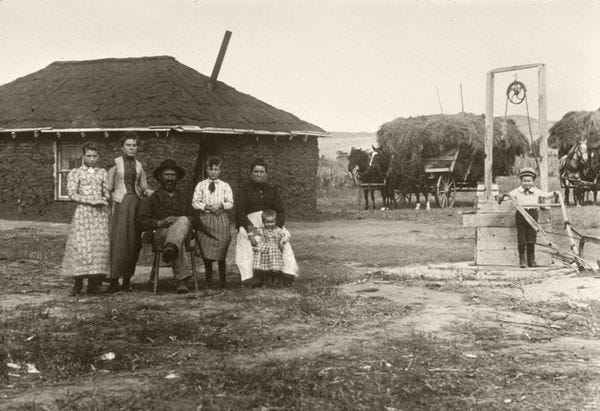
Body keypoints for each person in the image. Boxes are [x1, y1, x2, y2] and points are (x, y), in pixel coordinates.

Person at [137, 159, 198, 294]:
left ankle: (171, 247)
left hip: (184, 234)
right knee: (176, 240)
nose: (169, 178)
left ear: (177, 177)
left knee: (183, 220)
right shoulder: (153, 198)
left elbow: (196, 218)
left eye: (172, 175)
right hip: (161, 234)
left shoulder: (184, 197)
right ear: (160, 177)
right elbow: (141, 221)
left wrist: (181, 221)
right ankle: (181, 281)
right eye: (166, 175)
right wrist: (160, 223)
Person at [235, 158, 298, 286]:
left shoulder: (272, 189)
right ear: (251, 173)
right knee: (244, 237)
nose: (258, 174)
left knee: (284, 237)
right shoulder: (244, 190)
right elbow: (240, 212)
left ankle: (287, 274)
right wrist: (251, 230)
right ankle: (249, 277)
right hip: (251, 222)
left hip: (269, 222)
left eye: (261, 172)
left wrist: (277, 227)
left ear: (266, 174)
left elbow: (281, 210)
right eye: (256, 171)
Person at [60, 143, 110, 295]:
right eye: (89, 156)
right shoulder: (76, 173)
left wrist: (103, 199)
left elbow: (107, 192)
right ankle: (78, 284)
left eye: (95, 156)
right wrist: (89, 201)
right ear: (83, 156)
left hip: (99, 214)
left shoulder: (102, 172)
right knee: (82, 248)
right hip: (83, 213)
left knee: (97, 248)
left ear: (98, 157)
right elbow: (72, 193)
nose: (92, 159)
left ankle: (93, 284)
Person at [107, 132, 149, 293]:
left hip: (135, 205)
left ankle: (126, 280)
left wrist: (150, 193)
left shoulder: (139, 165)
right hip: (120, 204)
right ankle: (113, 280)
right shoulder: (115, 164)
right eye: (128, 145)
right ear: (122, 147)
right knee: (119, 241)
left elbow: (144, 187)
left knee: (133, 242)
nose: (131, 148)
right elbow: (108, 187)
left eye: (134, 145)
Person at [192, 156, 233, 289]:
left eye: (216, 169)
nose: (213, 172)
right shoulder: (201, 185)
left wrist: (220, 205)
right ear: (206, 170)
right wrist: (206, 206)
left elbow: (230, 203)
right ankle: (209, 282)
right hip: (206, 219)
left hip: (221, 219)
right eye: (211, 169)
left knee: (222, 248)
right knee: (207, 251)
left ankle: (223, 282)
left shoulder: (225, 186)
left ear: (221, 170)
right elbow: (195, 202)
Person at [504, 167, 558, 268]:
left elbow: (545, 195)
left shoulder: (536, 191)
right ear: (521, 181)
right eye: (524, 181)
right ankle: (522, 260)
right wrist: (502, 196)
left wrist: (554, 193)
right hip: (521, 215)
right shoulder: (517, 191)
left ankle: (531, 260)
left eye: (529, 181)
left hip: (533, 214)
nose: (527, 183)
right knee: (521, 238)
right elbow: (507, 196)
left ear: (533, 182)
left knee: (531, 238)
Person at [249, 209, 289, 287]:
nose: (270, 224)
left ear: (275, 221)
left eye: (272, 222)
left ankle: (275, 279)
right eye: (267, 222)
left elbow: (285, 235)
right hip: (264, 249)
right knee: (264, 264)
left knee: (274, 264)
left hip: (274, 250)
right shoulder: (261, 229)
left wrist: (282, 242)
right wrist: (252, 238)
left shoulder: (277, 230)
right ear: (263, 222)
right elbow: (251, 233)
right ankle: (265, 279)